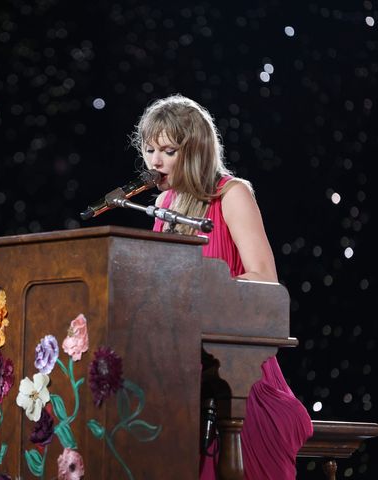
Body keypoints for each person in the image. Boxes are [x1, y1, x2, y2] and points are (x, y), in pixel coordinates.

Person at [131, 94, 313, 479]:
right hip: (178, 364)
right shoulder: (162, 205)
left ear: (195, 150)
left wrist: (207, 288)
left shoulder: (232, 195)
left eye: (167, 150)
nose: (154, 161)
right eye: (149, 149)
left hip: (237, 368)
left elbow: (264, 278)